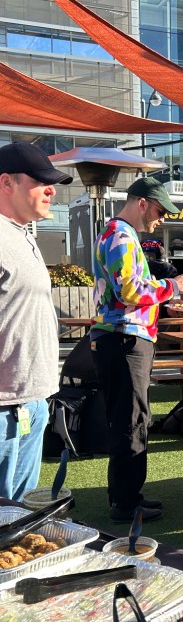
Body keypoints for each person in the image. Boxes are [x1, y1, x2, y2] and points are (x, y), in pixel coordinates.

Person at [91, 177, 183, 523]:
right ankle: (125, 502)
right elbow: (130, 290)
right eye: (161, 211)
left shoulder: (121, 234)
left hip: (123, 337)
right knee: (131, 420)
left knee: (132, 418)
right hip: (124, 338)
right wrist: (171, 287)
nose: (161, 219)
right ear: (143, 203)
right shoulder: (121, 234)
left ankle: (127, 496)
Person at [0, 142, 73, 501]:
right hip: (4, 407)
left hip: (30, 401)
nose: (51, 190)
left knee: (16, 523)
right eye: (40, 181)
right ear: (6, 183)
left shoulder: (22, 235)